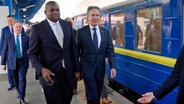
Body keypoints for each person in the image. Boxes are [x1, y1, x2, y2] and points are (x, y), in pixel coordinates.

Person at [29, 1, 80, 104]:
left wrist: (77, 70)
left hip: (68, 74)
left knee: (67, 100)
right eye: (51, 10)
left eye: (57, 10)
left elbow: (73, 49)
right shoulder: (37, 29)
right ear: (45, 12)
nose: (55, 12)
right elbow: (32, 53)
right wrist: (41, 69)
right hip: (50, 75)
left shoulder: (67, 25)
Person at [77, 6, 117, 104]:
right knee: (92, 95)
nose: (95, 17)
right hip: (87, 69)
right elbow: (76, 52)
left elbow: (110, 50)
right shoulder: (81, 32)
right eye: (93, 15)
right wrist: (77, 70)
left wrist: (113, 67)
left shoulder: (105, 32)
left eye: (97, 15)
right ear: (88, 17)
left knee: (98, 92)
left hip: (100, 68)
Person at [1, 21, 29, 104]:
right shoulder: (8, 38)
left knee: (22, 79)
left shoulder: (26, 37)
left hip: (23, 62)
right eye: (16, 27)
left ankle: (22, 98)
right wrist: (3, 63)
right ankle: (18, 91)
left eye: (20, 27)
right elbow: (4, 50)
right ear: (13, 28)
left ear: (21, 28)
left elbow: (30, 49)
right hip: (12, 62)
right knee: (15, 80)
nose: (18, 28)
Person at [0, 15, 16, 91]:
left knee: (18, 68)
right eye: (8, 20)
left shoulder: (18, 27)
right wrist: (2, 54)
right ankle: (11, 84)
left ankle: (17, 82)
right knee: (10, 70)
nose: (9, 21)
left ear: (13, 20)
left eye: (10, 20)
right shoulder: (4, 30)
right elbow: (2, 42)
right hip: (8, 54)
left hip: (17, 53)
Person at [99, 20, 112, 104]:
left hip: (102, 61)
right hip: (90, 63)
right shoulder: (85, 33)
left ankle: (104, 97)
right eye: (100, 24)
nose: (102, 26)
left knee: (101, 78)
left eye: (103, 24)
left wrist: (107, 58)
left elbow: (109, 47)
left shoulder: (105, 33)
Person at [65, 17, 78, 95]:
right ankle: (70, 86)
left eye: (69, 23)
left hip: (73, 55)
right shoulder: (62, 32)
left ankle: (74, 88)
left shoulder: (75, 32)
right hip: (66, 56)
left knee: (75, 72)